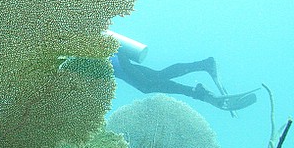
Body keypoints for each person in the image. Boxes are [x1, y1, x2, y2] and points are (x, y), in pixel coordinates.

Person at [107, 30, 257, 112]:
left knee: (146, 85)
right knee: (155, 77)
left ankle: (199, 90)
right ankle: (204, 68)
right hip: (113, 65)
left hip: (112, 59)